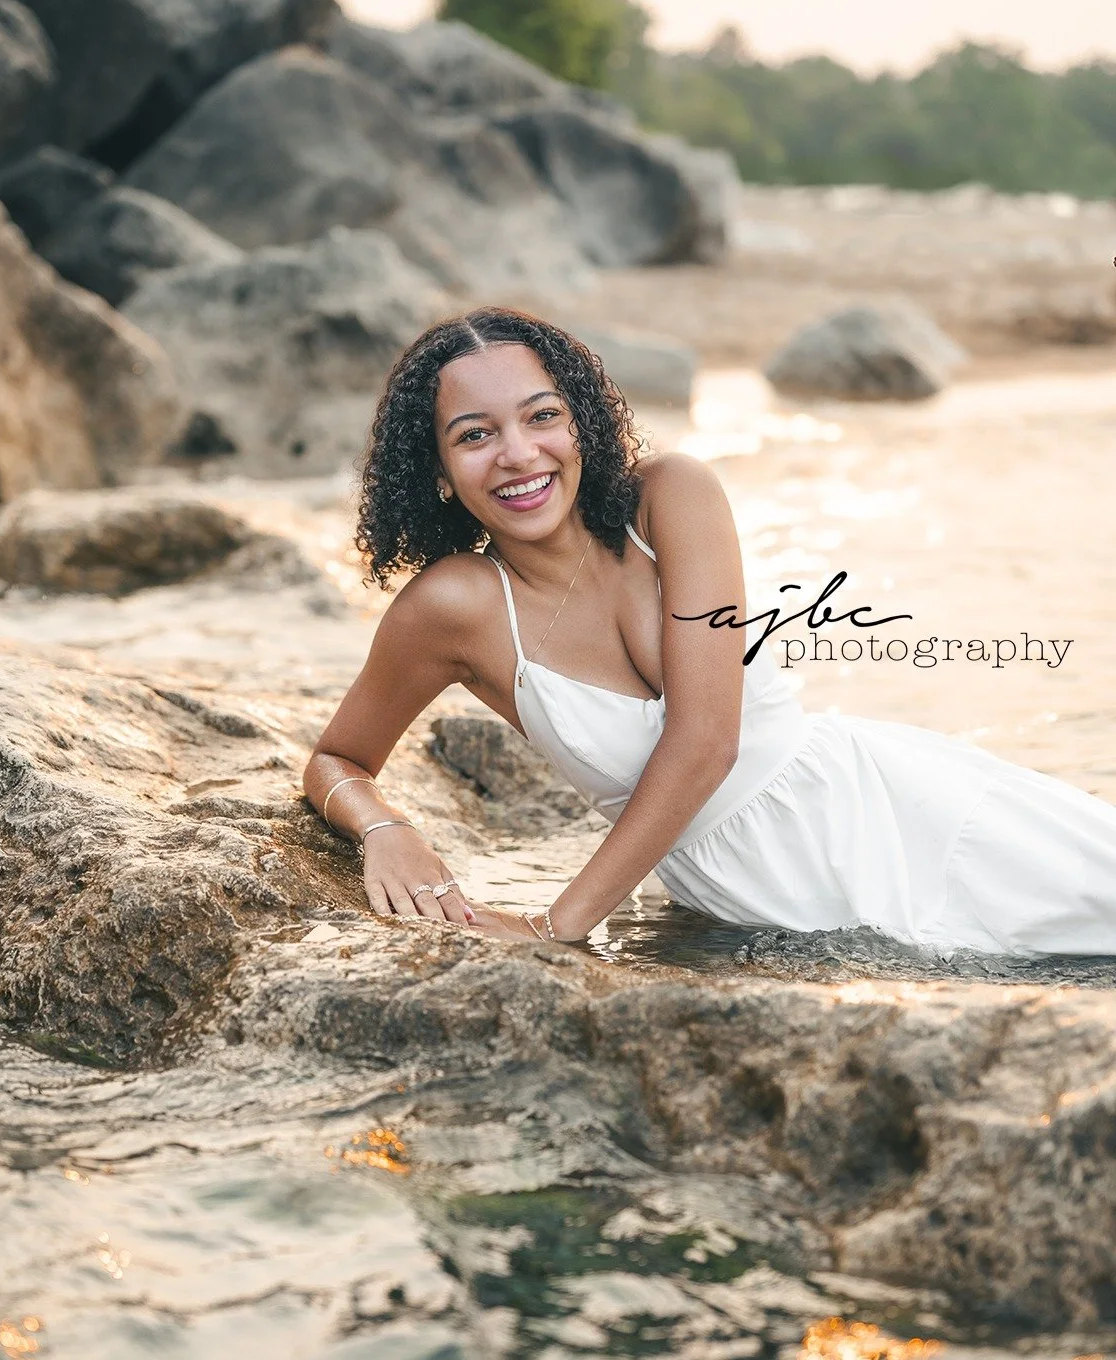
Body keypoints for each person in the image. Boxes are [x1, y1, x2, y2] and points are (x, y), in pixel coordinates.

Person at [302, 307, 1116, 956]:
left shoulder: (671, 498)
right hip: (738, 893)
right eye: (474, 434)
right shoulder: (454, 607)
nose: (519, 454)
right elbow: (337, 758)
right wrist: (385, 829)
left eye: (541, 416)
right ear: (439, 474)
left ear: (580, 421)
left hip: (893, 814)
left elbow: (706, 739)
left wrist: (557, 927)